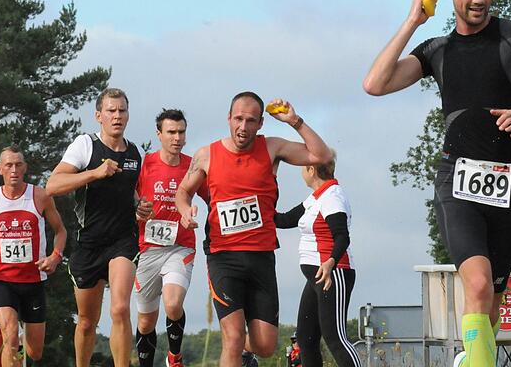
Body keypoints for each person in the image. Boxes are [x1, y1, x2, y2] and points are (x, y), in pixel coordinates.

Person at [362, 0, 511, 367]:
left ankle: (474, 358)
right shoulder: (438, 49)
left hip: (508, 185)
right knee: (476, 286)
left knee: (492, 299)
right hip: (457, 182)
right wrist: (412, 22)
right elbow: (375, 84)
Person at [175, 91, 333, 367]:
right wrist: (184, 210)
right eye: (238, 118)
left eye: (250, 121)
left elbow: (321, 155)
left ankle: (242, 352)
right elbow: (183, 192)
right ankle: (233, 349)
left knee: (265, 345)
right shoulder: (207, 155)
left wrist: (295, 121)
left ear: (260, 123)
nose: (243, 127)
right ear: (228, 118)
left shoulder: (271, 148)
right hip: (223, 257)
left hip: (261, 257)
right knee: (233, 338)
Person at [45, 88, 153, 367]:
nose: (117, 116)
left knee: (119, 308)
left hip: (123, 241)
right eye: (111, 111)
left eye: (122, 111)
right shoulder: (85, 145)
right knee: (86, 321)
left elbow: (133, 194)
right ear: (99, 116)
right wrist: (94, 172)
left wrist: (141, 207)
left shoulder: (135, 152)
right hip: (89, 243)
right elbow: (53, 186)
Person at [0, 146, 67, 367]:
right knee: (10, 338)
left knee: (35, 351)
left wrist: (55, 256)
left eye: (18, 165)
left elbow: (61, 231)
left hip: (34, 282)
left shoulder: (40, 196)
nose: (14, 170)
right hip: (3, 281)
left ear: (25, 168)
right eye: (8, 165)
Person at [134, 109, 208, 367]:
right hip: (147, 249)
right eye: (171, 132)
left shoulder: (193, 166)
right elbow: (128, 201)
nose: (177, 138)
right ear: (159, 134)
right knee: (146, 321)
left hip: (180, 246)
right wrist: (136, 211)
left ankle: (174, 357)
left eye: (181, 132)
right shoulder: (146, 164)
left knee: (173, 304)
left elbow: (214, 196)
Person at [274, 152, 361, 367]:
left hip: (333, 273)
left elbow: (342, 236)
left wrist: (331, 262)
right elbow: (283, 220)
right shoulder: (316, 198)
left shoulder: (332, 196)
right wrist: (262, 194)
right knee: (306, 337)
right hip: (317, 277)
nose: (301, 172)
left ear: (311, 170)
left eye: (303, 167)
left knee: (335, 337)